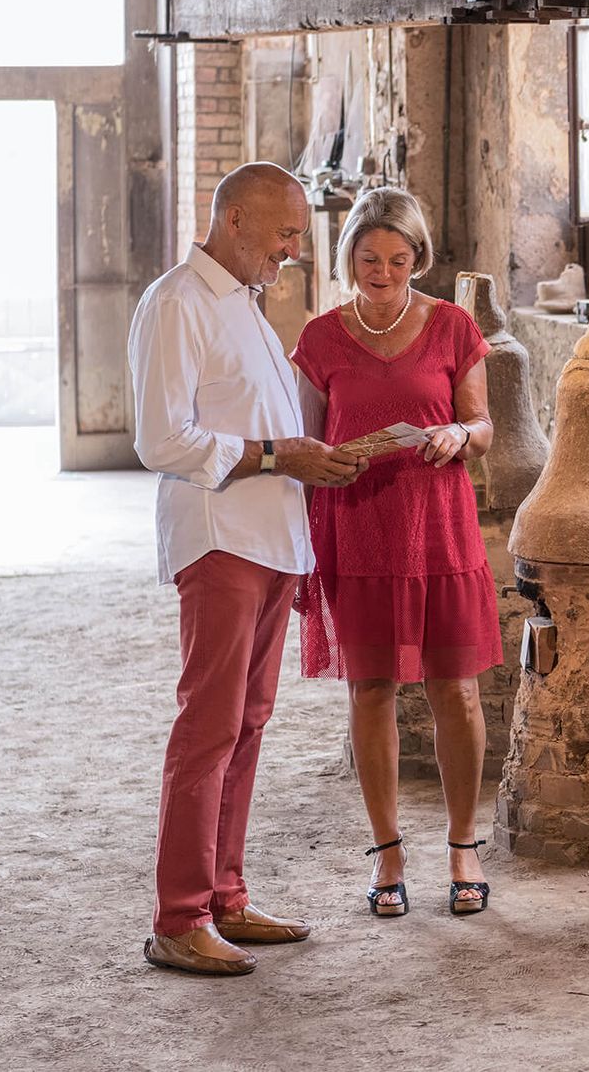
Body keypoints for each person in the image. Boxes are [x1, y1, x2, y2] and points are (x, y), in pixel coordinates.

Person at [129, 162, 369, 977]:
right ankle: (178, 917)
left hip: (270, 537)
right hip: (220, 538)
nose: (293, 251)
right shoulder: (175, 304)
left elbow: (261, 426)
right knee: (208, 728)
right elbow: (162, 442)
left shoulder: (246, 307)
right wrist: (280, 454)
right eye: (284, 234)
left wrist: (312, 458)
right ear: (234, 220)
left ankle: (225, 896)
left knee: (249, 722)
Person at [291, 187, 501, 918]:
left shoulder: (451, 327)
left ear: (419, 259)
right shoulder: (319, 339)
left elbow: (482, 427)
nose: (382, 272)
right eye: (369, 257)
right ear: (349, 253)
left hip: (438, 526)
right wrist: (324, 469)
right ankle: (387, 852)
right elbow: (307, 447)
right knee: (371, 690)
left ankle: (464, 842)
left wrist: (457, 436)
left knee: (457, 690)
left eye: (398, 259)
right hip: (357, 529)